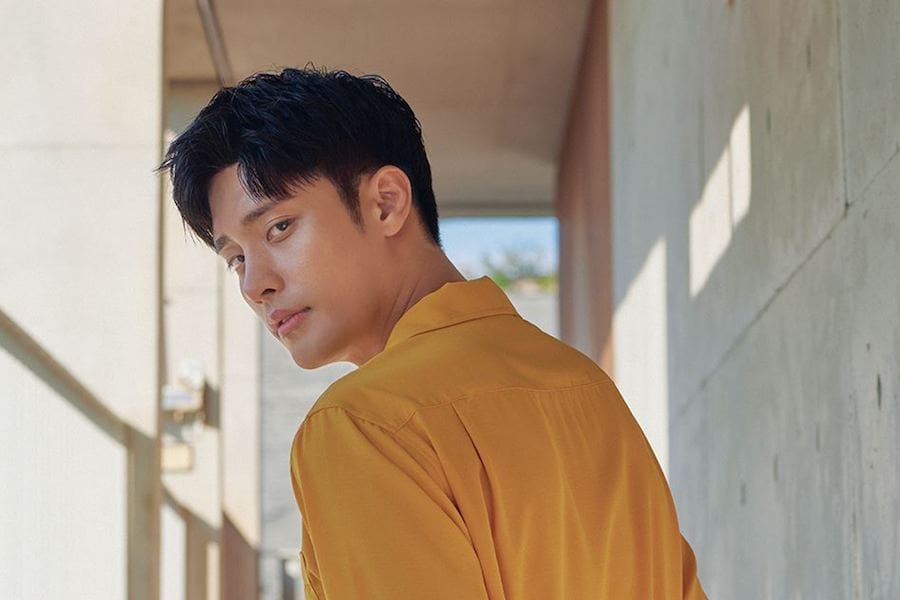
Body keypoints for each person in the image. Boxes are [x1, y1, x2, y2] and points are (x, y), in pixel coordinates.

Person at [159, 66, 706, 599]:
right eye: (235, 259)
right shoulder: (587, 389)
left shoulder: (365, 423)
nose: (255, 284)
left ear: (386, 203)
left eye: (279, 227)